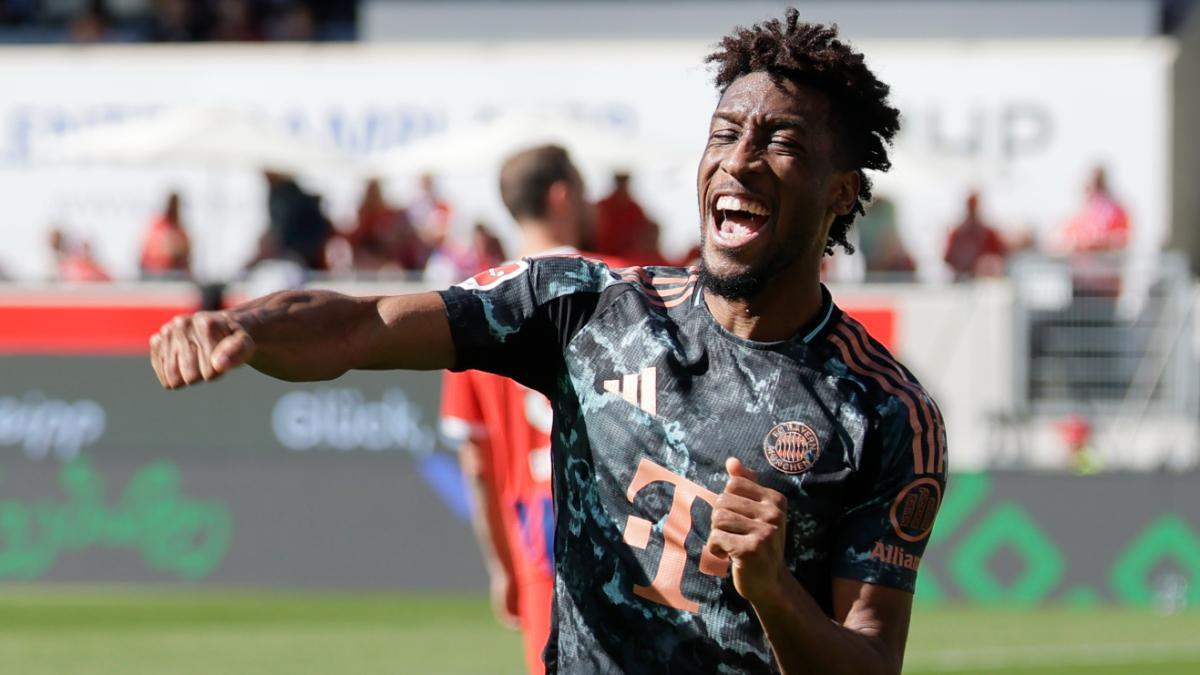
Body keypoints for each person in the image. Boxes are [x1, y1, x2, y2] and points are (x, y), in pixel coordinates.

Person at [149, 10, 945, 674]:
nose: (740, 159)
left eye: (782, 143)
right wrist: (245, 326)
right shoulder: (586, 305)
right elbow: (360, 325)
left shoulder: (883, 410)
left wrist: (775, 593)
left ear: (841, 194)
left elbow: (872, 662)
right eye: (725, 132)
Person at [440, 145, 614, 675]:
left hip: (538, 533)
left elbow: (476, 464)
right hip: (624, 524)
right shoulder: (626, 283)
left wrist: (502, 568)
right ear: (563, 196)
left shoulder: (474, 307)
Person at [1054, 165, 1130, 254]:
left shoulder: (1113, 210)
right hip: (1082, 262)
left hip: (1104, 263)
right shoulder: (1085, 212)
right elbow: (1061, 238)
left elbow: (1120, 238)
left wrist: (1094, 242)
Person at [944, 191, 1006, 280]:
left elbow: (999, 255)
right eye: (971, 207)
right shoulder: (958, 234)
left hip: (984, 282)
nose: (973, 210)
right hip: (962, 280)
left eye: (975, 206)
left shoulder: (988, 233)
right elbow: (948, 258)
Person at [593, 171, 649, 259]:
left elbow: (642, 233)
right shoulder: (603, 205)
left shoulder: (634, 209)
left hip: (627, 257)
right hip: (603, 254)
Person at [140, 192, 192, 279]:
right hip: (154, 274)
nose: (174, 207)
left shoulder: (179, 228)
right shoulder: (158, 225)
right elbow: (153, 251)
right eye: (172, 204)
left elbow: (185, 249)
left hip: (175, 274)